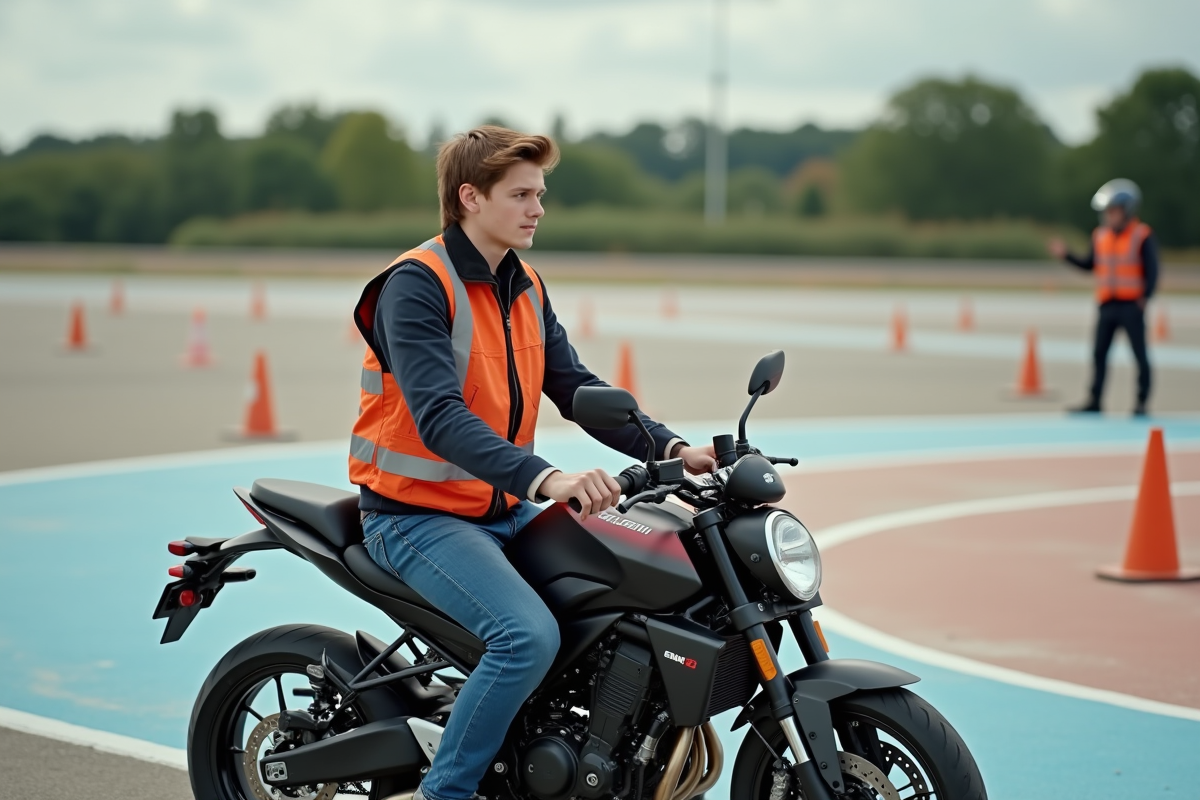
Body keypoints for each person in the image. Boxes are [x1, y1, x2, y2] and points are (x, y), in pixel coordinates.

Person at [348, 126, 716, 800]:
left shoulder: (523, 284)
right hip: (415, 517)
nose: (537, 207)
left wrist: (671, 448)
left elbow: (574, 386)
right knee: (525, 638)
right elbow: (439, 418)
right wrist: (548, 478)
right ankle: (445, 793)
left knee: (622, 596)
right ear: (470, 198)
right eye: (521, 194)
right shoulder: (417, 286)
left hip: (500, 508)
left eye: (540, 194)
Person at [1048, 178, 1159, 417]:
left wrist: (1145, 297)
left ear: (1127, 211)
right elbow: (1090, 265)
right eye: (1107, 211)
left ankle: (1141, 402)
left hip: (1131, 305)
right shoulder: (1100, 236)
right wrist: (1066, 255)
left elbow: (1153, 271)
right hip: (1107, 304)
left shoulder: (1141, 235)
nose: (1109, 216)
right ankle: (1095, 400)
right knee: (1099, 353)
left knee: (1139, 354)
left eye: (1114, 211)